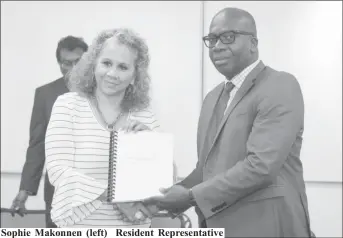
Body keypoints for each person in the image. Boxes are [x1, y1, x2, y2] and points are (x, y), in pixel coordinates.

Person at [145, 7, 314, 237]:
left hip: (266, 226)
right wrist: (169, 195)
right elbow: (207, 168)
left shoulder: (279, 85)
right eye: (212, 39)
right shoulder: (212, 97)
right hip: (217, 227)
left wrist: (190, 197)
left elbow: (261, 166)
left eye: (228, 37)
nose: (217, 46)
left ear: (253, 43)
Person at [45, 28, 161, 228]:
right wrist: (117, 196)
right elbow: (59, 171)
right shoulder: (67, 105)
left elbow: (162, 183)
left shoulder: (145, 114)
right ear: (93, 64)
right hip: (79, 226)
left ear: (135, 74)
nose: (112, 74)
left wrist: (152, 147)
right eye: (106, 63)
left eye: (123, 67)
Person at [10, 36, 89, 228]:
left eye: (78, 62)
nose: (72, 68)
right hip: (58, 192)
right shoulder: (45, 94)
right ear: (59, 63)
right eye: (66, 63)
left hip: (95, 191)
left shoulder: (104, 92)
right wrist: (25, 189)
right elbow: (37, 145)